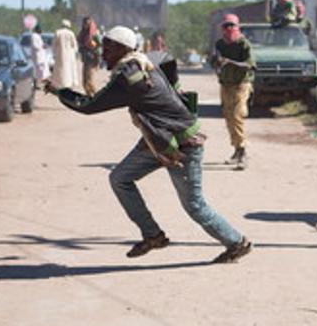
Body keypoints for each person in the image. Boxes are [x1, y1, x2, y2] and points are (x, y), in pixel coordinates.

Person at [45, 26, 252, 264]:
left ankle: (237, 243)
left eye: (109, 49)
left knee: (194, 205)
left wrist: (61, 92)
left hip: (182, 144)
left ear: (123, 49)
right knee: (120, 178)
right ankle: (153, 235)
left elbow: (90, 105)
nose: (103, 55)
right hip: (158, 140)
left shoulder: (130, 76)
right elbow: (169, 67)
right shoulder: (143, 63)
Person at [212, 14, 255, 168]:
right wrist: (216, 62)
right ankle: (237, 150)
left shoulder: (244, 44)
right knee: (229, 117)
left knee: (237, 115)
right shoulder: (219, 44)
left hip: (240, 85)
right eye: (226, 26)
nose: (229, 29)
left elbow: (250, 65)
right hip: (225, 84)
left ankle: (243, 152)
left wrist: (231, 63)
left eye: (232, 25)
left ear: (238, 27)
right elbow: (214, 62)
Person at [77, 16, 102, 95]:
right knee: (84, 81)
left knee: (90, 80)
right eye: (84, 23)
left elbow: (100, 45)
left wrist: (94, 48)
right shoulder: (82, 33)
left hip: (92, 58)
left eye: (87, 23)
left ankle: (96, 96)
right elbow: (79, 42)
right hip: (85, 58)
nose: (86, 25)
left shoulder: (95, 33)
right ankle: (89, 95)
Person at [52, 19, 79, 89]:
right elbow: (74, 45)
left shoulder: (57, 32)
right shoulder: (71, 33)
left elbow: (54, 44)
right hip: (69, 55)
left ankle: (60, 84)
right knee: (69, 69)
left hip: (60, 54)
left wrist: (54, 54)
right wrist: (75, 53)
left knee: (60, 69)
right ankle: (68, 84)